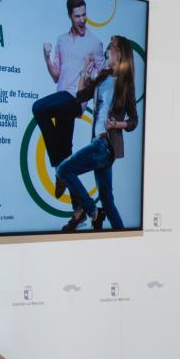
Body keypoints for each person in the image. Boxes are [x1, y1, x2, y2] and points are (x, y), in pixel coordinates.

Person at [57, 35, 139, 232]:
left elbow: (134, 121)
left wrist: (117, 124)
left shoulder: (125, 85)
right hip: (98, 143)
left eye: (111, 46)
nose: (107, 49)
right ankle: (123, 237)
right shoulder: (103, 77)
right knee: (108, 202)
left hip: (105, 146)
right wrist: (84, 71)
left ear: (120, 55)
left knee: (63, 170)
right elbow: (80, 96)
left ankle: (93, 211)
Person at [32, 0, 104, 178]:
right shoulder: (61, 40)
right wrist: (47, 57)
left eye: (84, 15)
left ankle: (58, 165)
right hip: (62, 97)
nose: (82, 20)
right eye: (77, 16)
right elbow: (56, 76)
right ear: (70, 16)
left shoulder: (94, 43)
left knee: (38, 108)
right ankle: (77, 203)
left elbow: (104, 78)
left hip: (75, 99)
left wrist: (91, 76)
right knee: (66, 148)